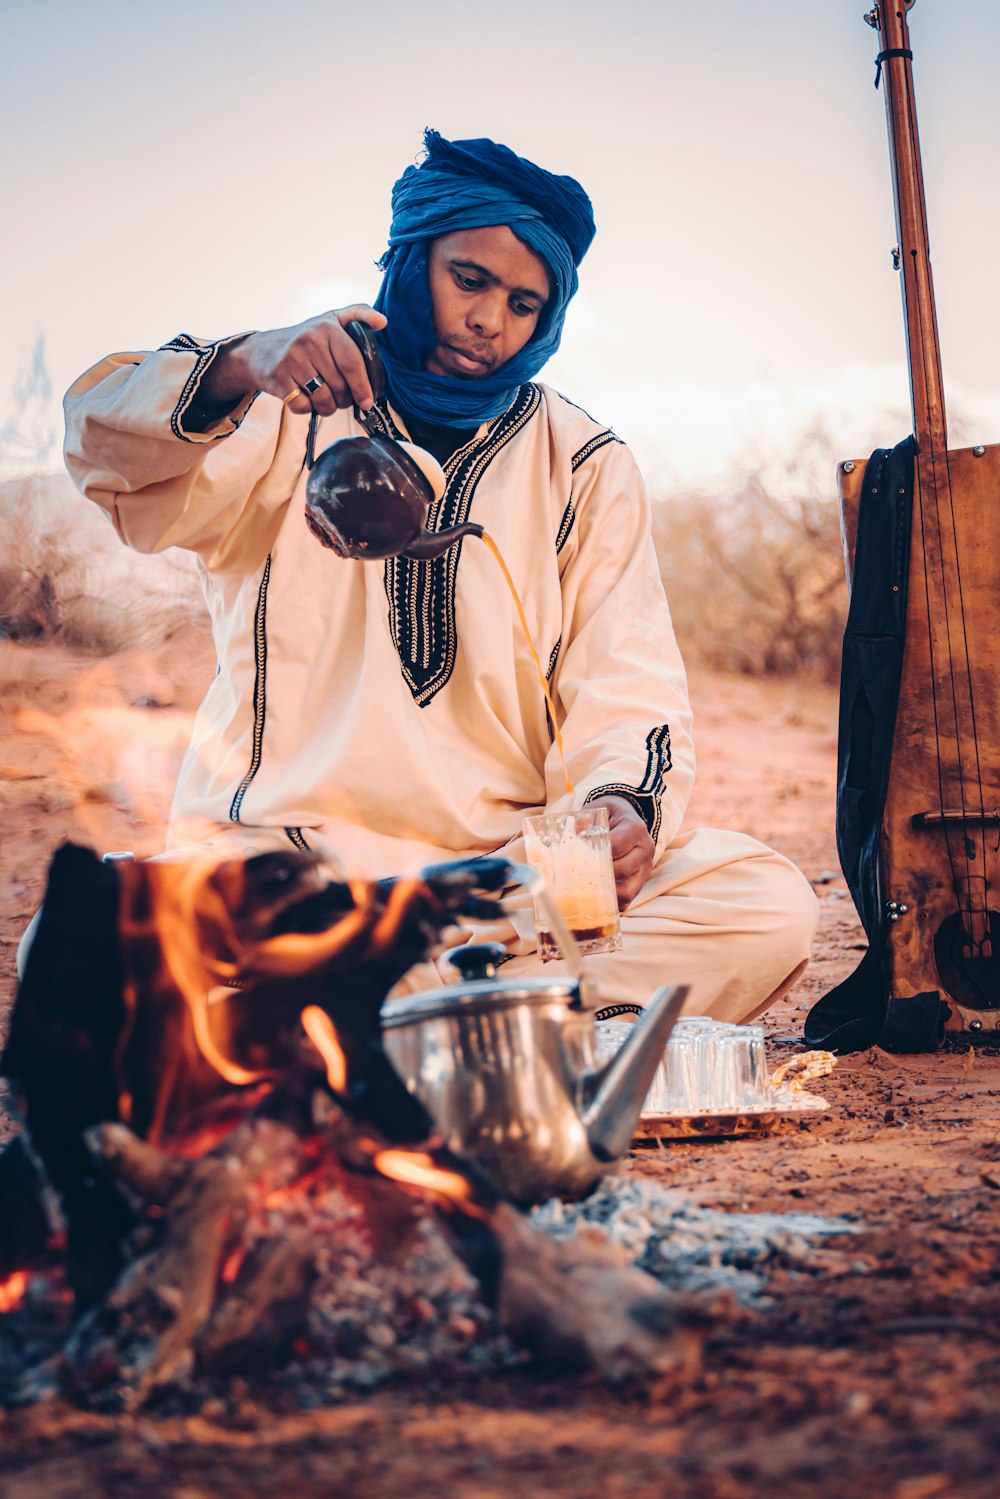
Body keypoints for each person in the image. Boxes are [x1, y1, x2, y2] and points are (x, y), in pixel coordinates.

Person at [62, 129, 817, 1020]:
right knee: (90, 933)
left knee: (764, 902)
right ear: (414, 261)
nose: (492, 319)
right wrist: (247, 360)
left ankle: (366, 1021)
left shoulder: (582, 462)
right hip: (290, 874)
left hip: (502, 887)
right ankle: (477, 1025)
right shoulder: (279, 408)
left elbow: (629, 678)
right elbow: (101, 440)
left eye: (526, 302)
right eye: (470, 280)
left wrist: (622, 807)